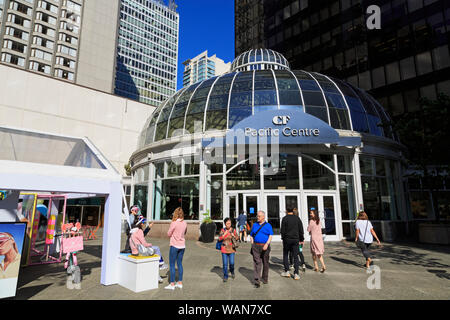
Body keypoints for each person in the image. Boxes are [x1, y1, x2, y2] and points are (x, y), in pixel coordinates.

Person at [129, 217, 166, 283]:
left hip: (134, 251)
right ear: (140, 223)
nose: (143, 224)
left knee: (154, 256)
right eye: (143, 222)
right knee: (157, 248)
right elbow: (145, 244)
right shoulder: (139, 231)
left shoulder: (133, 231)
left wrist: (148, 227)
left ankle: (158, 275)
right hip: (140, 252)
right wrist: (150, 244)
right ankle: (161, 264)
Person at [165, 207, 187, 290]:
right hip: (182, 245)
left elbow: (168, 233)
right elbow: (185, 232)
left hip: (174, 245)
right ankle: (180, 282)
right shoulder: (185, 223)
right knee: (180, 264)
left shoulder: (174, 223)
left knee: (172, 264)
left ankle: (172, 283)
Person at [249, 210, 273, 288]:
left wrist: (267, 244)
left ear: (263, 217)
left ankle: (265, 278)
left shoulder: (268, 225)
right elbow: (251, 235)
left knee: (265, 263)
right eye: (257, 216)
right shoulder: (255, 225)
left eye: (259, 216)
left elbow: (270, 235)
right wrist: (252, 243)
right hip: (256, 246)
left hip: (265, 246)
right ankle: (257, 281)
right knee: (257, 262)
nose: (257, 217)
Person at [280, 207, 304, 280]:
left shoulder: (284, 219)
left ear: (286, 211)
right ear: (293, 211)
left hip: (287, 239)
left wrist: (283, 238)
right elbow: (301, 230)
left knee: (285, 254)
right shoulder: (297, 218)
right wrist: (301, 239)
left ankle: (287, 271)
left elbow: (282, 230)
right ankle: (296, 273)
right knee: (296, 256)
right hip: (295, 239)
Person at [218, 218, 239, 282]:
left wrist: (234, 236)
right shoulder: (223, 230)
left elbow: (237, 238)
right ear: (225, 224)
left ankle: (232, 271)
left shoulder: (233, 230)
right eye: (227, 223)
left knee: (232, 263)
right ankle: (225, 276)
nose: (229, 225)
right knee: (225, 264)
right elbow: (219, 239)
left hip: (232, 249)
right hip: (224, 249)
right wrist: (224, 235)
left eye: (229, 223)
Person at [307, 208, 326, 273]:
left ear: (314, 214)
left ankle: (317, 266)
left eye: (311, 213)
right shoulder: (319, 221)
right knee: (319, 253)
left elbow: (308, 230)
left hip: (314, 238)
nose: (310, 214)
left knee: (313, 253)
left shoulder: (311, 221)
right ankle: (322, 265)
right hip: (319, 238)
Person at [289, 208, 306, 273]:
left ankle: (291, 264)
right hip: (300, 240)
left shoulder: (293, 220)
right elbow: (301, 231)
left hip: (293, 239)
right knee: (300, 252)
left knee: (291, 252)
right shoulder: (299, 220)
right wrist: (302, 239)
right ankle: (303, 264)